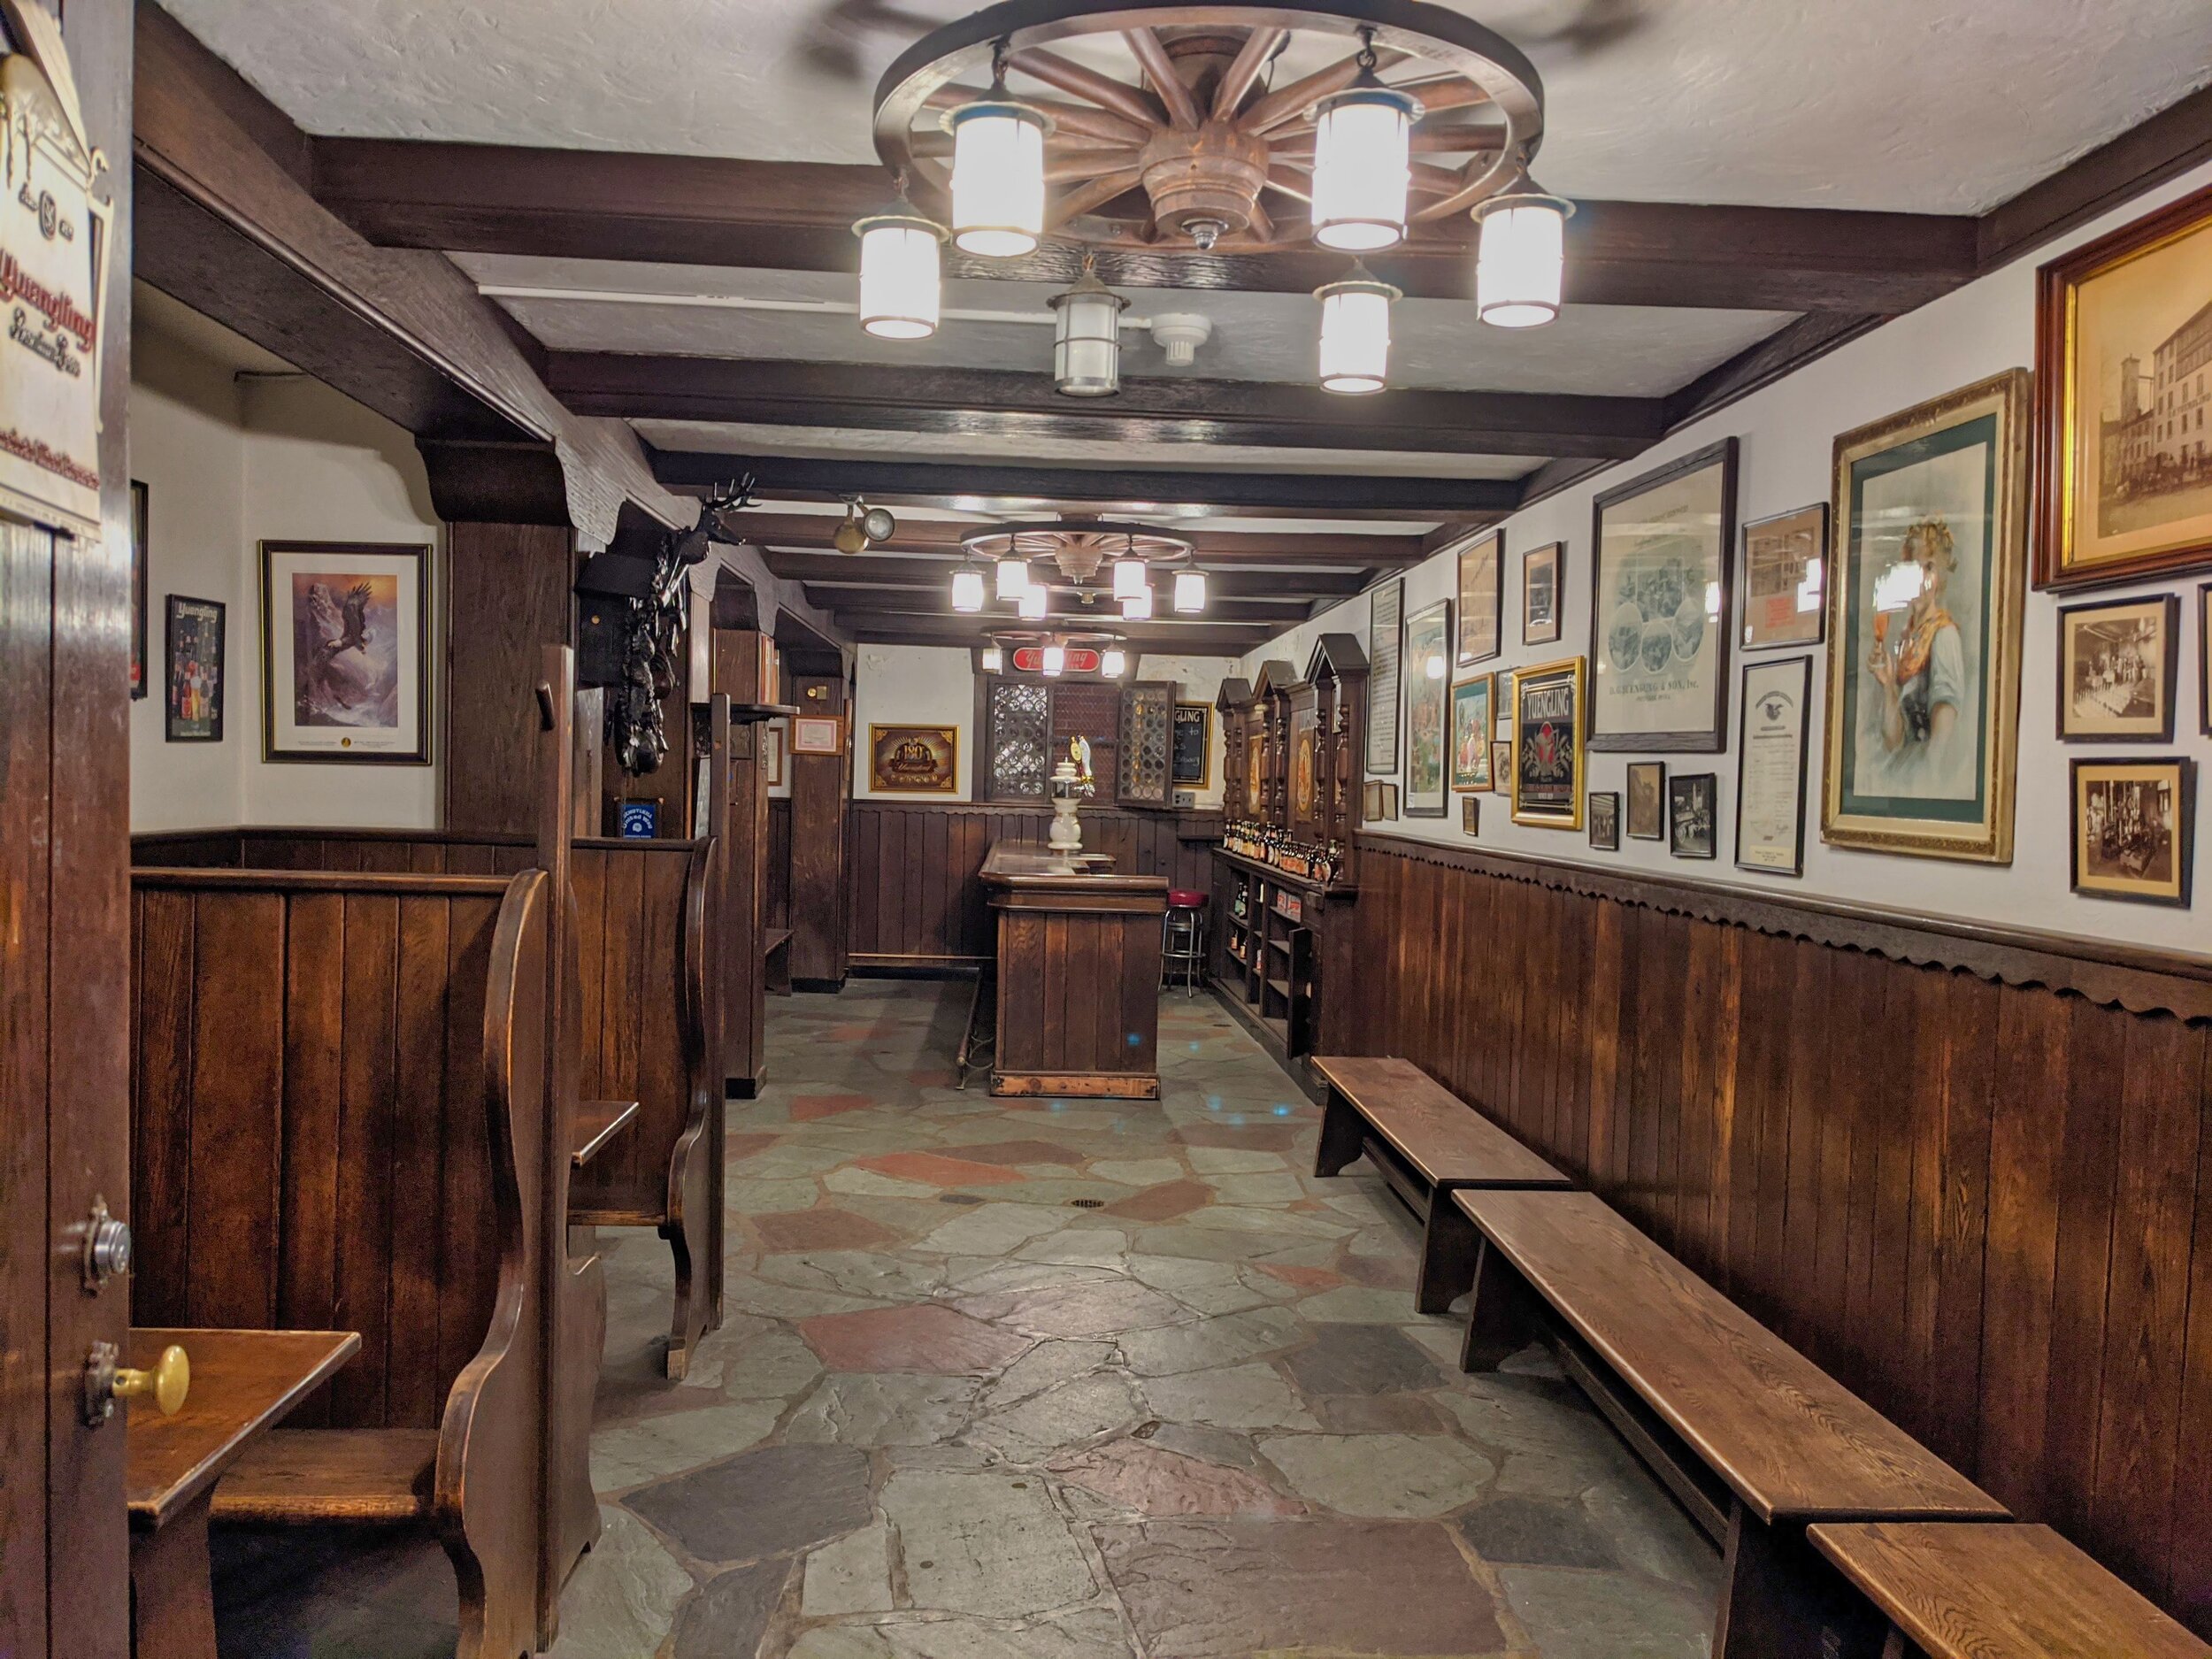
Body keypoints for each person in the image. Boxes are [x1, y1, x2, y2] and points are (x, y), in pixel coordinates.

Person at [1866, 517, 1967, 792]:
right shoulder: (1906, 640)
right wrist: (1888, 685)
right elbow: (1894, 742)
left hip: (1924, 780)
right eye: (1914, 568)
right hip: (1902, 775)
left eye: (1930, 568)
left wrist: (1925, 784)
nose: (1921, 579)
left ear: (1941, 577)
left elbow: (1940, 745)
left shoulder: (1944, 636)